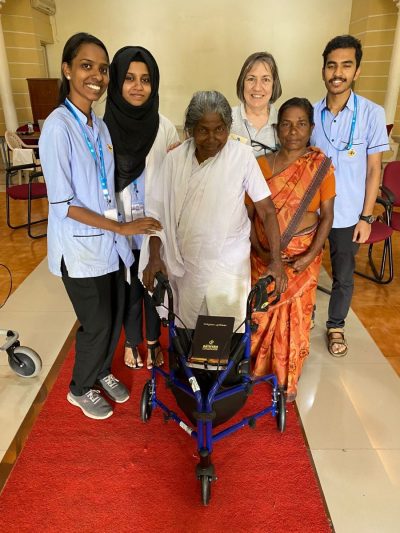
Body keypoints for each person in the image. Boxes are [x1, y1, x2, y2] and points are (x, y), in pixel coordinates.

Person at [39, 33, 162, 420]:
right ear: (67, 70)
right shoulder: (58, 128)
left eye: (102, 69)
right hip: (79, 249)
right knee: (95, 324)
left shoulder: (99, 126)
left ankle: (102, 371)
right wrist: (124, 230)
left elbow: (107, 189)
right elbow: (63, 204)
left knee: (112, 318)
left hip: (108, 243)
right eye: (86, 66)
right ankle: (79, 388)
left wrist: (122, 230)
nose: (96, 76)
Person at [140, 91, 287, 331]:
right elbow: (157, 212)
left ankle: (224, 370)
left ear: (228, 127)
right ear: (189, 130)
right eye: (203, 130)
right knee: (188, 332)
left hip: (227, 263)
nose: (212, 138)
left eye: (219, 129)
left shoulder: (242, 156)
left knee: (225, 335)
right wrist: (155, 256)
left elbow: (267, 210)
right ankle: (190, 370)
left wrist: (276, 260)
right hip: (185, 264)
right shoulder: (174, 160)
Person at [249, 97, 335, 401]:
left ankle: (287, 378)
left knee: (295, 318)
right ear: (276, 128)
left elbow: (327, 216)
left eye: (301, 124)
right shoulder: (259, 165)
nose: (293, 130)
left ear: (311, 128)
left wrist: (310, 256)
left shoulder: (320, 166)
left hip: (303, 258)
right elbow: (248, 216)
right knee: (262, 315)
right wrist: (259, 250)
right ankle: (258, 367)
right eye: (286, 123)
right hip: (263, 257)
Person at [311, 35, 389, 357]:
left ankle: (336, 326)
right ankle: (304, 318)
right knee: (306, 270)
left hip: (348, 214)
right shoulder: (311, 113)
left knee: (343, 275)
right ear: (324, 70)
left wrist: (366, 217)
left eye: (346, 65)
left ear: (356, 71)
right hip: (314, 214)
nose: (337, 72)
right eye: (332, 65)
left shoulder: (372, 113)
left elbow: (374, 170)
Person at [104, 46, 179, 370]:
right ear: (117, 81)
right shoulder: (102, 126)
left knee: (152, 288)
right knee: (128, 291)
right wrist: (113, 226)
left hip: (152, 227)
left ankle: (152, 342)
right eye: (130, 78)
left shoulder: (164, 128)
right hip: (117, 226)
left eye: (146, 79)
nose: (138, 86)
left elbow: (174, 181)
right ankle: (132, 342)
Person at [230, 52, 282, 157]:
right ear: (242, 83)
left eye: (265, 80)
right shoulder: (226, 119)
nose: (257, 88)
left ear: (274, 85)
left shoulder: (284, 122)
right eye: (251, 79)